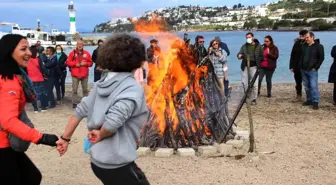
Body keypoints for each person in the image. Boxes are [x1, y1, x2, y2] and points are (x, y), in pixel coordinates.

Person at [56, 34, 150, 185]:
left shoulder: (101, 83)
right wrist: (101, 133)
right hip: (116, 162)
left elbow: (79, 111)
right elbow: (113, 122)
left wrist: (65, 138)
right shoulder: (132, 88)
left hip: (98, 160)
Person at [0, 34, 59, 185]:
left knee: (32, 177)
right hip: (2, 145)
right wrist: (41, 137)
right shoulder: (9, 80)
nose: (29, 53)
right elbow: (8, 121)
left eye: (29, 48)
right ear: (9, 52)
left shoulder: (10, 75)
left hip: (6, 143)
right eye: (23, 49)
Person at [237, 32, 264, 105]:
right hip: (245, 66)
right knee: (245, 83)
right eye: (247, 38)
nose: (248, 39)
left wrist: (258, 61)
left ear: (253, 37)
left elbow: (262, 56)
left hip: (254, 67)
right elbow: (239, 53)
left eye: (249, 37)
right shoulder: (244, 46)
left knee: (254, 84)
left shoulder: (258, 46)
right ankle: (246, 96)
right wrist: (239, 55)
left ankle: (254, 98)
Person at [300, 32, 324, 110]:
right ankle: (309, 100)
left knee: (313, 86)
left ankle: (315, 102)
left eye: (307, 37)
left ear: (312, 37)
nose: (306, 39)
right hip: (303, 69)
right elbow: (301, 57)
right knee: (306, 86)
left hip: (312, 70)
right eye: (305, 37)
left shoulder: (319, 46)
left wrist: (316, 67)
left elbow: (321, 58)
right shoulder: (304, 46)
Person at [66, 40, 93, 108]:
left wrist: (86, 63)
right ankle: (75, 102)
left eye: (81, 44)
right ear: (76, 45)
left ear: (83, 45)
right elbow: (68, 62)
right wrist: (75, 64)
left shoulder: (87, 53)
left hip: (84, 74)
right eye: (78, 44)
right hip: (75, 74)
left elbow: (91, 63)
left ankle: (86, 102)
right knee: (74, 89)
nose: (80, 45)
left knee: (85, 89)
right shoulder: (72, 53)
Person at [27, 46, 48, 112]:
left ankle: (35, 108)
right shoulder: (38, 59)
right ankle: (43, 108)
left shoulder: (26, 60)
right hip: (39, 78)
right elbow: (42, 68)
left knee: (33, 94)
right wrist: (45, 74)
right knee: (42, 93)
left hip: (30, 79)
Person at [290, 29, 308, 102]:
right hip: (297, 66)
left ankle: (309, 97)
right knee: (298, 82)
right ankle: (299, 95)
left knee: (307, 82)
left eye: (303, 36)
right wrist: (291, 66)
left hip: (307, 67)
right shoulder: (297, 44)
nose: (302, 37)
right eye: (300, 36)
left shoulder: (310, 43)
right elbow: (292, 55)